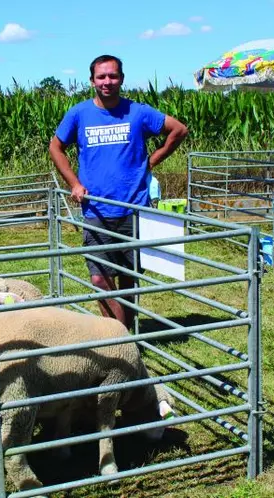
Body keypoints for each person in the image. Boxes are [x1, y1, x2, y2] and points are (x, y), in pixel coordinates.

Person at [49, 54, 188, 330]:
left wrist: (151, 161)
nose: (107, 82)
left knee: (128, 279)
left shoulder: (137, 112)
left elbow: (178, 130)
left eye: (112, 76)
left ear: (121, 79)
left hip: (133, 208)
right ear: (91, 81)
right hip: (96, 209)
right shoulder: (79, 114)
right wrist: (74, 183)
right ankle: (120, 336)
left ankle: (127, 333)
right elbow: (56, 147)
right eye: (101, 77)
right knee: (100, 278)